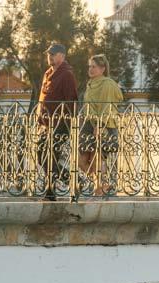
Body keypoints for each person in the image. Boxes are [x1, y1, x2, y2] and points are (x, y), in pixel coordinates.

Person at [37, 43, 79, 201]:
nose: (50, 56)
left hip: (60, 124)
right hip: (45, 124)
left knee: (51, 156)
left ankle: (50, 192)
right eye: (49, 53)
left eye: (53, 54)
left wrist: (68, 123)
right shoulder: (48, 73)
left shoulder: (67, 74)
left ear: (62, 55)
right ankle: (73, 182)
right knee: (41, 155)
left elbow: (72, 100)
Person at [78, 54, 124, 197]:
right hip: (89, 123)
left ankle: (99, 188)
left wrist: (100, 125)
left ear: (103, 68)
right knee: (81, 160)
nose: (90, 69)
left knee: (97, 158)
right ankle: (101, 184)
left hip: (104, 125)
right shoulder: (91, 84)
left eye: (94, 67)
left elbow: (107, 106)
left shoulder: (107, 84)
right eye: (90, 66)